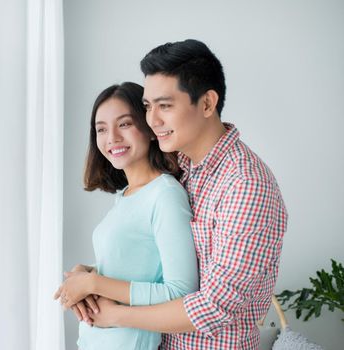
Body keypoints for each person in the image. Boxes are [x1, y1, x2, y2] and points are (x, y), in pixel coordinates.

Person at [85, 39, 288, 350]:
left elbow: (213, 307)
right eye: (148, 107)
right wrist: (91, 278)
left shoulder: (246, 185)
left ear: (207, 103)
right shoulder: (185, 169)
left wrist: (115, 315)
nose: (152, 121)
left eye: (165, 106)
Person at [54, 82, 198, 350]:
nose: (112, 138)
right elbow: (137, 267)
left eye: (124, 124)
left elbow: (180, 292)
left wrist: (93, 283)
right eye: (101, 129)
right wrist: (87, 275)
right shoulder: (127, 195)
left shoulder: (165, 195)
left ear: (150, 129)